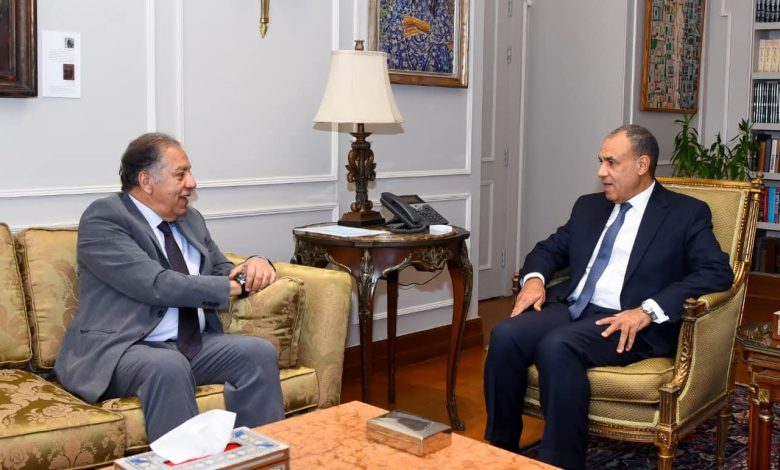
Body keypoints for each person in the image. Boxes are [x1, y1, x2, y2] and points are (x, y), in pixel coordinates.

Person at [483, 125, 734, 469]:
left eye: (611, 163)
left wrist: (648, 309)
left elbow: (716, 271)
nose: (601, 172)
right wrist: (535, 281)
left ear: (642, 165)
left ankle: (561, 462)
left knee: (557, 346)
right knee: (505, 336)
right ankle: (500, 452)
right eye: (600, 161)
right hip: (574, 306)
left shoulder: (685, 213)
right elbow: (549, 249)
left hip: (628, 320)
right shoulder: (589, 207)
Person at [54, 132, 284, 441]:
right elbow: (156, 284)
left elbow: (221, 269)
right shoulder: (105, 219)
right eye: (181, 174)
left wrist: (255, 263)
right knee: (168, 366)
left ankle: (259, 456)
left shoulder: (190, 219)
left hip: (191, 344)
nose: (192, 183)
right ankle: (187, 461)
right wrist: (231, 287)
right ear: (147, 181)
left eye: (190, 172)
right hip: (124, 348)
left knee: (258, 353)